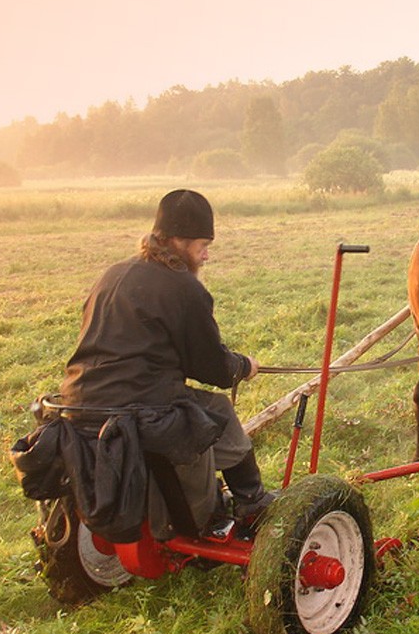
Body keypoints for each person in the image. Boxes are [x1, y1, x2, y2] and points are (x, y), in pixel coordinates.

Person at [55, 188, 274, 540]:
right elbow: (211, 368)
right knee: (217, 411)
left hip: (77, 403)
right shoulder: (183, 287)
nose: (206, 256)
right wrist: (242, 366)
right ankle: (252, 502)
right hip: (138, 408)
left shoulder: (114, 273)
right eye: (203, 245)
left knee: (200, 407)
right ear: (178, 241)